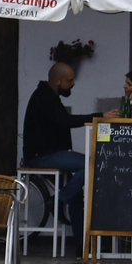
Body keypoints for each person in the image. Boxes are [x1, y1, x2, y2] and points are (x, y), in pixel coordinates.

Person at [22, 62, 95, 240]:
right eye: (70, 80)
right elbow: (65, 121)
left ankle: (81, 246)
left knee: (76, 195)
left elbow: (62, 121)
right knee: (93, 164)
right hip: (42, 156)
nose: (73, 84)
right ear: (57, 80)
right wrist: (98, 117)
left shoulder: (48, 95)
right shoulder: (44, 97)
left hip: (50, 153)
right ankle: (58, 200)